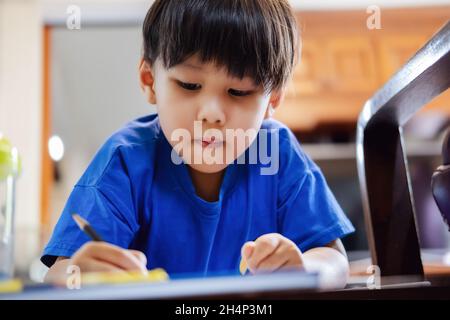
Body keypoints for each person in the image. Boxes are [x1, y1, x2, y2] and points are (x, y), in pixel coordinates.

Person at [42, 0, 354, 288]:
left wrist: (304, 270)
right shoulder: (125, 161)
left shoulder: (279, 154)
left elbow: (335, 261)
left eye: (239, 92)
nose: (212, 114)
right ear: (150, 81)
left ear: (273, 99)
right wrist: (78, 276)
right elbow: (57, 273)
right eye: (189, 85)